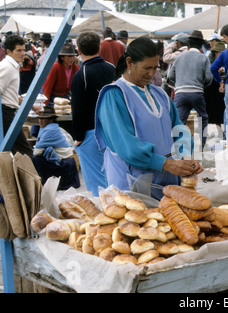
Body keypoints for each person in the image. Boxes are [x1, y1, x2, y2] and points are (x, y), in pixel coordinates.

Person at [95, 36, 202, 200]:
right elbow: (126, 146)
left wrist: (186, 158)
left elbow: (178, 128)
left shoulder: (159, 94)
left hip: (166, 183)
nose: (152, 74)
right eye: (147, 68)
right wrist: (166, 164)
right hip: (132, 185)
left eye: (155, 68)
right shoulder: (115, 95)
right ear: (129, 62)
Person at [71, 31, 115, 197]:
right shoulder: (112, 69)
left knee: (96, 182)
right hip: (114, 130)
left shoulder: (81, 75)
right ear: (99, 47)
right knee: (113, 177)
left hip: (91, 132)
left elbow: (78, 109)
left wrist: (78, 136)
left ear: (79, 51)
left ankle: (103, 214)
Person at [169, 30, 213, 147]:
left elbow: (171, 76)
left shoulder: (179, 57)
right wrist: (201, 85)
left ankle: (177, 144)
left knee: (179, 120)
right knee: (203, 117)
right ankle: (202, 143)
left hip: (180, 93)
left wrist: (180, 83)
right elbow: (209, 78)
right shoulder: (203, 58)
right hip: (197, 92)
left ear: (188, 44)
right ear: (201, 45)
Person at [0, 35, 34, 158]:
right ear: (9, 52)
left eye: (24, 50)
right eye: (18, 50)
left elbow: (10, 93)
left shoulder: (13, 66)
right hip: (5, 114)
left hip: (8, 113)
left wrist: (31, 105)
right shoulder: (7, 67)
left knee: (19, 152)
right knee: (25, 153)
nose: (23, 53)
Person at [32, 106, 80, 190]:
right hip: (64, 162)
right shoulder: (47, 128)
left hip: (66, 164)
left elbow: (37, 151)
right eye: (40, 118)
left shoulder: (50, 130)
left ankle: (47, 183)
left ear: (51, 119)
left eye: (44, 118)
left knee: (36, 158)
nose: (40, 120)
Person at [204, 41, 226, 126]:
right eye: (220, 53)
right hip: (210, 87)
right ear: (216, 53)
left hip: (220, 87)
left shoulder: (224, 59)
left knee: (220, 108)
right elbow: (208, 73)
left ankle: (219, 125)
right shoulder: (209, 60)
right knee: (210, 108)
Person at [162, 32, 189, 98]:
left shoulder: (181, 53)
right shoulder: (186, 51)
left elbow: (166, 58)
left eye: (175, 41)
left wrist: (171, 45)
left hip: (178, 85)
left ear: (178, 42)